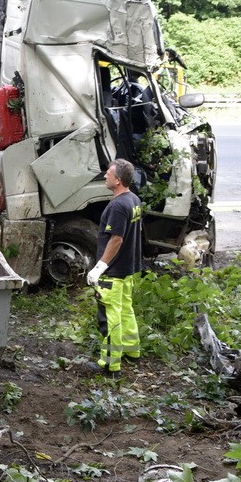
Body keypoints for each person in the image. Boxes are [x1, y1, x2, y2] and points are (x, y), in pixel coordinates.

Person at [85, 158, 144, 376]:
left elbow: (116, 239)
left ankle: (110, 365)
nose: (105, 176)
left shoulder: (118, 206)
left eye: (109, 174)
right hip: (127, 269)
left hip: (113, 273)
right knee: (126, 311)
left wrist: (100, 267)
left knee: (110, 318)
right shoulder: (133, 199)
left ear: (118, 180)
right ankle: (132, 352)